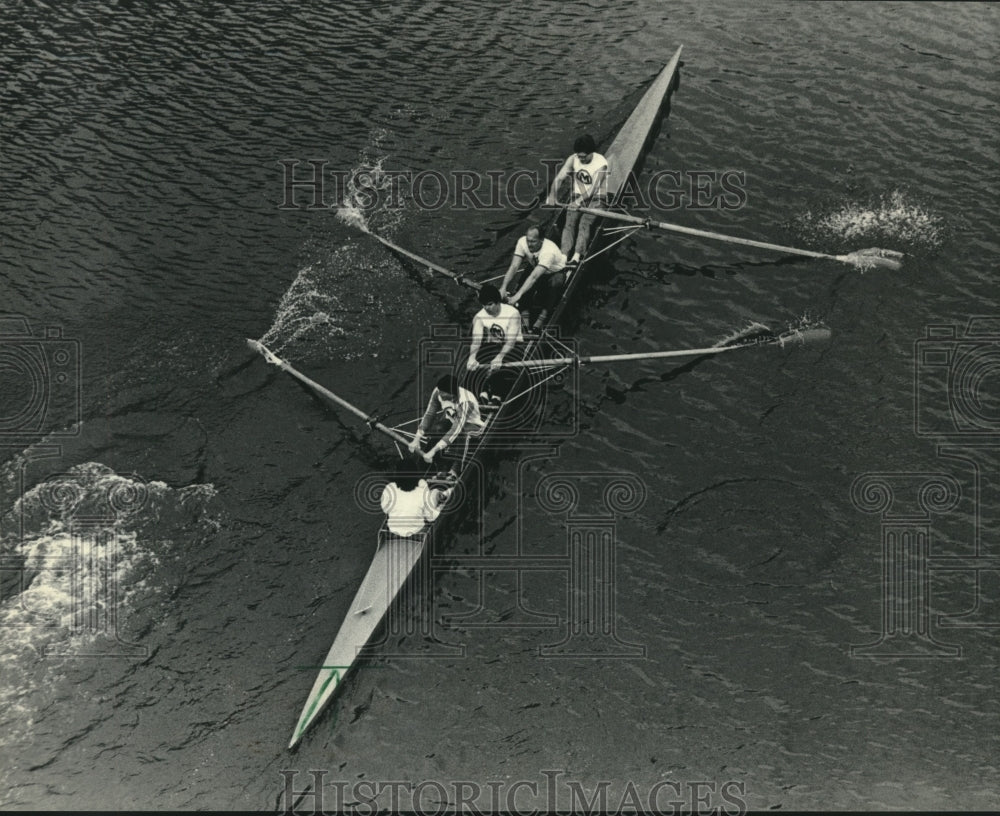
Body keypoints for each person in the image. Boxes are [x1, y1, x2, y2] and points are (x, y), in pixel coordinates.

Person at [545, 133, 609, 265]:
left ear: (591, 152)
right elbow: (559, 179)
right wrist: (552, 195)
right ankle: (563, 256)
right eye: (579, 156)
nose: (581, 160)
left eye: (584, 157)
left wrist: (577, 202)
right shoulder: (573, 159)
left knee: (584, 222)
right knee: (570, 222)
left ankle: (576, 256)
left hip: (597, 197)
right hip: (577, 196)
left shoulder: (601, 163)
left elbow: (592, 190)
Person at [408, 374, 486, 476]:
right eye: (439, 392)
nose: (439, 395)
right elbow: (429, 414)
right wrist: (417, 438)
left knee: (462, 435)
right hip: (452, 420)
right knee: (437, 429)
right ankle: (440, 466)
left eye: (442, 393)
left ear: (452, 394)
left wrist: (433, 450)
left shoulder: (467, 402)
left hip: (472, 426)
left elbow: (455, 430)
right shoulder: (438, 391)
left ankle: (455, 470)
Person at [499, 226, 567, 331]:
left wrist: (517, 296)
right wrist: (503, 287)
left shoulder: (549, 251)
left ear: (541, 240)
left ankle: (544, 314)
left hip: (554, 272)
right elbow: (514, 266)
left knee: (554, 285)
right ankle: (524, 311)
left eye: (533, 242)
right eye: (528, 240)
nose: (529, 244)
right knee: (523, 283)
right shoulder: (522, 242)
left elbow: (534, 277)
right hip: (536, 266)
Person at [467, 284, 523, 401]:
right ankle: (483, 393)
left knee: (500, 366)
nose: (487, 308)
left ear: (498, 302)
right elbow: (476, 341)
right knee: (476, 364)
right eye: (484, 305)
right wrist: (472, 357)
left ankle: (494, 394)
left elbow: (511, 342)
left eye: (490, 304)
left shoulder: (513, 313)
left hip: (514, 347)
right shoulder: (479, 317)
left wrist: (500, 357)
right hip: (495, 345)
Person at [380, 458, 454, 537]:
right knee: (435, 492)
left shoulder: (389, 488)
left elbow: (385, 509)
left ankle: (443, 493)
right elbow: (431, 518)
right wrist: (440, 508)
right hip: (416, 531)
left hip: (393, 529)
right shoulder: (422, 491)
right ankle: (447, 492)